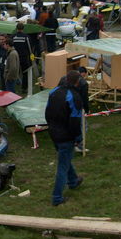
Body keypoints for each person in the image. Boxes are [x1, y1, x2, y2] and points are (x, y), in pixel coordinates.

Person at [45, 70, 84, 206]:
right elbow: (75, 120)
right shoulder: (74, 96)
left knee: (65, 157)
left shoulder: (54, 91)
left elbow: (47, 112)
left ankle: (73, 181)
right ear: (77, 82)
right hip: (66, 135)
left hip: (54, 132)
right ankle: (57, 197)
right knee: (62, 165)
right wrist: (78, 137)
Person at [13, 23, 32, 91]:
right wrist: (30, 55)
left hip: (15, 56)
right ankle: (24, 88)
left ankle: (15, 84)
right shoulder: (26, 37)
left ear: (17, 28)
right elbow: (29, 47)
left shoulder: (13, 36)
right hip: (24, 57)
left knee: (15, 71)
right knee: (25, 72)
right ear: (23, 28)